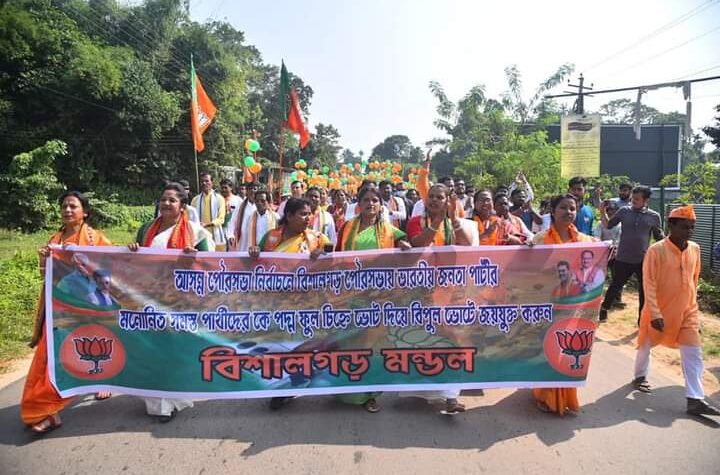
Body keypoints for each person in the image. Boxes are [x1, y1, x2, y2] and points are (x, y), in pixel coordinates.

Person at [22, 191, 113, 434]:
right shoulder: (55, 239)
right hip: (58, 309)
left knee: (95, 347)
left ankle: (102, 381)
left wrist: (83, 259)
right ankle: (47, 410)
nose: (68, 210)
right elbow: (46, 276)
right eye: (64, 206)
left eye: (73, 206)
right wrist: (45, 260)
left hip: (88, 308)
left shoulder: (96, 239)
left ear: (85, 212)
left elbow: (110, 272)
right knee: (50, 356)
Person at [129, 182, 213, 421]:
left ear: (182, 206)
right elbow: (137, 261)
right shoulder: (147, 229)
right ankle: (156, 401)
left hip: (180, 300)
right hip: (149, 297)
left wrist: (192, 260)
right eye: (163, 199)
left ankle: (169, 401)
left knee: (171, 349)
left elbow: (210, 264)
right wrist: (133, 250)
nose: (166, 203)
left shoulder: (196, 232)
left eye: (172, 200)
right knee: (151, 349)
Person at [632, 205, 720, 416]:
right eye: (684, 227)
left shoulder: (695, 249)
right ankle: (639, 376)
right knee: (646, 344)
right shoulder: (656, 250)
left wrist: (694, 309)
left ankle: (695, 399)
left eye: (692, 227)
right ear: (671, 225)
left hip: (687, 310)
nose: (689, 231)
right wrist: (655, 313)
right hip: (659, 310)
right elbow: (648, 283)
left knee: (693, 352)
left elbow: (694, 280)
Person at [249, 198, 331, 410]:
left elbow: (335, 261)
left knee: (302, 345)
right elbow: (256, 261)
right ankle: (279, 388)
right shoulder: (271, 237)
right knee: (277, 346)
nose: (308, 218)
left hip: (306, 305)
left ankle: (292, 385)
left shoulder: (316, 238)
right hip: (276, 304)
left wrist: (323, 255)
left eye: (309, 214)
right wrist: (254, 253)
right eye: (303, 214)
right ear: (289, 216)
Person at [334, 187, 411, 412]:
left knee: (373, 344)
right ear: (358, 204)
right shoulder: (347, 227)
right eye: (366, 200)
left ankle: (371, 394)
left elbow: (405, 245)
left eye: (375, 200)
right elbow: (336, 256)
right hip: (350, 294)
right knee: (349, 342)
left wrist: (404, 245)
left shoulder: (389, 230)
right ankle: (346, 392)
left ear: (380, 205)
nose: (371, 204)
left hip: (378, 297)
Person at [405, 184, 476, 414]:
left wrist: (453, 219)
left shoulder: (454, 222)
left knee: (453, 338)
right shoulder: (416, 221)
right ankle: (423, 390)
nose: (435, 200)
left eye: (440, 197)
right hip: (422, 289)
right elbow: (418, 244)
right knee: (425, 339)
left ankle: (451, 396)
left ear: (447, 201)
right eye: (432, 197)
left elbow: (466, 244)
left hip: (450, 289)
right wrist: (436, 222)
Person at [530, 193, 597, 416]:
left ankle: (565, 396)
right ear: (553, 211)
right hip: (548, 304)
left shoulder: (587, 241)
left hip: (575, 306)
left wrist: (608, 252)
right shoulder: (540, 240)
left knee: (568, 349)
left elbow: (594, 266)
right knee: (548, 349)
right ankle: (544, 395)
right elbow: (529, 267)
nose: (569, 212)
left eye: (572, 208)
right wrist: (525, 250)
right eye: (563, 208)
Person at [598, 186, 663, 323]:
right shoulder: (624, 211)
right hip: (623, 258)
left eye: (637, 199)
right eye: (633, 198)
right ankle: (604, 308)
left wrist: (667, 238)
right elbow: (609, 225)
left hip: (643, 259)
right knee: (616, 285)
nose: (633, 201)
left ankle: (642, 318)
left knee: (644, 290)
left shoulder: (654, 216)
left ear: (646, 200)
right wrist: (602, 211)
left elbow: (659, 237)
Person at [191, 172, 227, 251]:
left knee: (218, 258)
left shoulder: (219, 198)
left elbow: (221, 219)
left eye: (207, 181)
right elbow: (192, 219)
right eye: (202, 181)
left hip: (216, 236)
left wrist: (206, 225)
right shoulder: (195, 200)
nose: (204, 183)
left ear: (212, 183)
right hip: (200, 238)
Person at [227, 182, 260, 251]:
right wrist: (230, 235)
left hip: (257, 241)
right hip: (242, 242)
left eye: (254, 189)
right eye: (250, 189)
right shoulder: (240, 206)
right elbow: (232, 221)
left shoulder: (260, 206)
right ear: (246, 191)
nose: (252, 191)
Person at [220, 178, 243, 248]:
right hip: (221, 230)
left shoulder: (238, 200)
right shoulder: (218, 199)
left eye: (225, 188)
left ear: (231, 188)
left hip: (234, 231)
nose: (223, 190)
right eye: (222, 188)